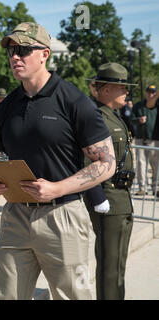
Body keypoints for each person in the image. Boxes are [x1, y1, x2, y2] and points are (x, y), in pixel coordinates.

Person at [0, 22, 116, 300]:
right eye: (11, 51)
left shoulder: (74, 101)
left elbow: (107, 163)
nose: (14, 57)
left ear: (44, 54)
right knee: (7, 296)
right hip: (15, 217)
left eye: (22, 50)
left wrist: (58, 188)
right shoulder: (5, 108)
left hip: (63, 215)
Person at [83, 62, 136, 300]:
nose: (127, 92)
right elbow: (87, 162)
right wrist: (97, 197)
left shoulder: (112, 116)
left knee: (118, 266)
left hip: (122, 198)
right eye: (121, 87)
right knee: (110, 267)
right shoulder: (96, 117)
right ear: (105, 89)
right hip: (109, 197)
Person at [132, 85, 159, 196]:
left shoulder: (157, 106)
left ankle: (156, 187)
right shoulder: (138, 105)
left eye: (153, 92)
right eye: (149, 92)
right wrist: (139, 120)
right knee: (141, 164)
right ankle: (142, 187)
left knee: (156, 165)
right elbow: (131, 120)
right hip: (141, 139)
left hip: (155, 139)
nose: (150, 94)